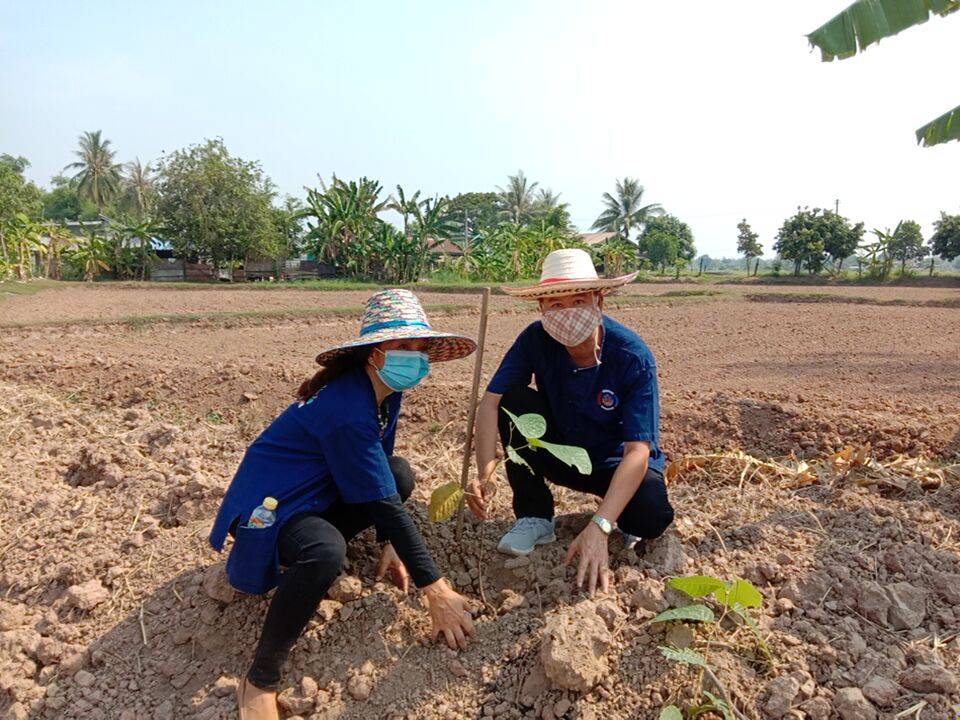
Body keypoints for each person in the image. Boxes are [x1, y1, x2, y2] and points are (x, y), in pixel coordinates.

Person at [209, 289, 478, 720]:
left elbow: (383, 475)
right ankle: (259, 679)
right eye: (402, 347)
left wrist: (392, 541)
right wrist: (437, 591)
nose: (415, 357)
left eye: (420, 348)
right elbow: (384, 503)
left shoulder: (385, 389)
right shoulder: (346, 407)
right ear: (374, 353)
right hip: (274, 508)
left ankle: (325, 551)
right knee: (324, 552)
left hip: (318, 490)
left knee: (400, 472)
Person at [468, 248, 674, 595]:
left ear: (599, 301)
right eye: (556, 305)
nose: (567, 313)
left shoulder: (631, 356)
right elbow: (490, 404)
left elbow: (638, 450)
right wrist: (484, 472)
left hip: (615, 466)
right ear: (542, 309)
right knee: (514, 399)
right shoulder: (535, 339)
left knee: (650, 515)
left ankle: (617, 512)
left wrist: (601, 524)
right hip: (562, 455)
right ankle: (534, 517)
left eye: (579, 300)